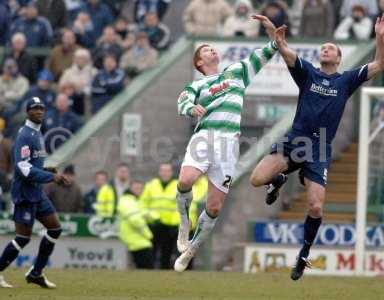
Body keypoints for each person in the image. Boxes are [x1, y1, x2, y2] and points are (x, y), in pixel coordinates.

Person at [249, 17, 384, 280]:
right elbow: (284, 48)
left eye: (330, 48)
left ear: (339, 57)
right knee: (256, 179)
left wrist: (379, 37)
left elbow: (380, 64)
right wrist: (272, 32)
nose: (325, 49)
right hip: (295, 141)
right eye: (323, 47)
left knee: (315, 208)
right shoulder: (308, 73)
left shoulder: (346, 80)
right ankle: (277, 180)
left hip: (320, 148)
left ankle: (303, 255)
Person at [173, 15, 279, 272]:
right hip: (205, 136)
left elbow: (267, 52)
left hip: (228, 144)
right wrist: (191, 108)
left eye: (212, 47)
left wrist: (273, 34)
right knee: (185, 181)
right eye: (206, 49)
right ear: (199, 62)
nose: (212, 50)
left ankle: (191, 250)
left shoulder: (237, 72)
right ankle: (184, 222)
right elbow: (182, 102)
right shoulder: (198, 84)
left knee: (214, 206)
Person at [0, 96, 70, 288]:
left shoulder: (37, 134)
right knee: (23, 238)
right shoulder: (24, 135)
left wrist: (46, 171)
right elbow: (22, 167)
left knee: (55, 229)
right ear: (27, 112)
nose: (39, 111)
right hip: (24, 193)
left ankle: (36, 273)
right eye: (35, 108)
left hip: (36, 192)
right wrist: (51, 178)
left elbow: (31, 163)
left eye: (42, 108)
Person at [140, 163, 178, 269]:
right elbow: (142, 205)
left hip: (170, 227)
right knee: (151, 252)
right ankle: (150, 274)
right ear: (159, 172)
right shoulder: (151, 185)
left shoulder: (178, 186)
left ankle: (164, 275)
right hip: (154, 225)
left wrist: (175, 223)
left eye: (167, 170)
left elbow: (181, 207)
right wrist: (151, 217)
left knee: (167, 253)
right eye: (163, 170)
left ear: (171, 172)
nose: (165, 173)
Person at [118, 180, 154, 269]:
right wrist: (148, 234)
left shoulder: (133, 201)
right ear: (130, 188)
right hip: (137, 241)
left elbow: (141, 213)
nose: (139, 190)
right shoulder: (127, 200)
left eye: (141, 188)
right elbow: (135, 220)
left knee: (143, 270)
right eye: (136, 188)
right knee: (146, 270)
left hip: (138, 240)